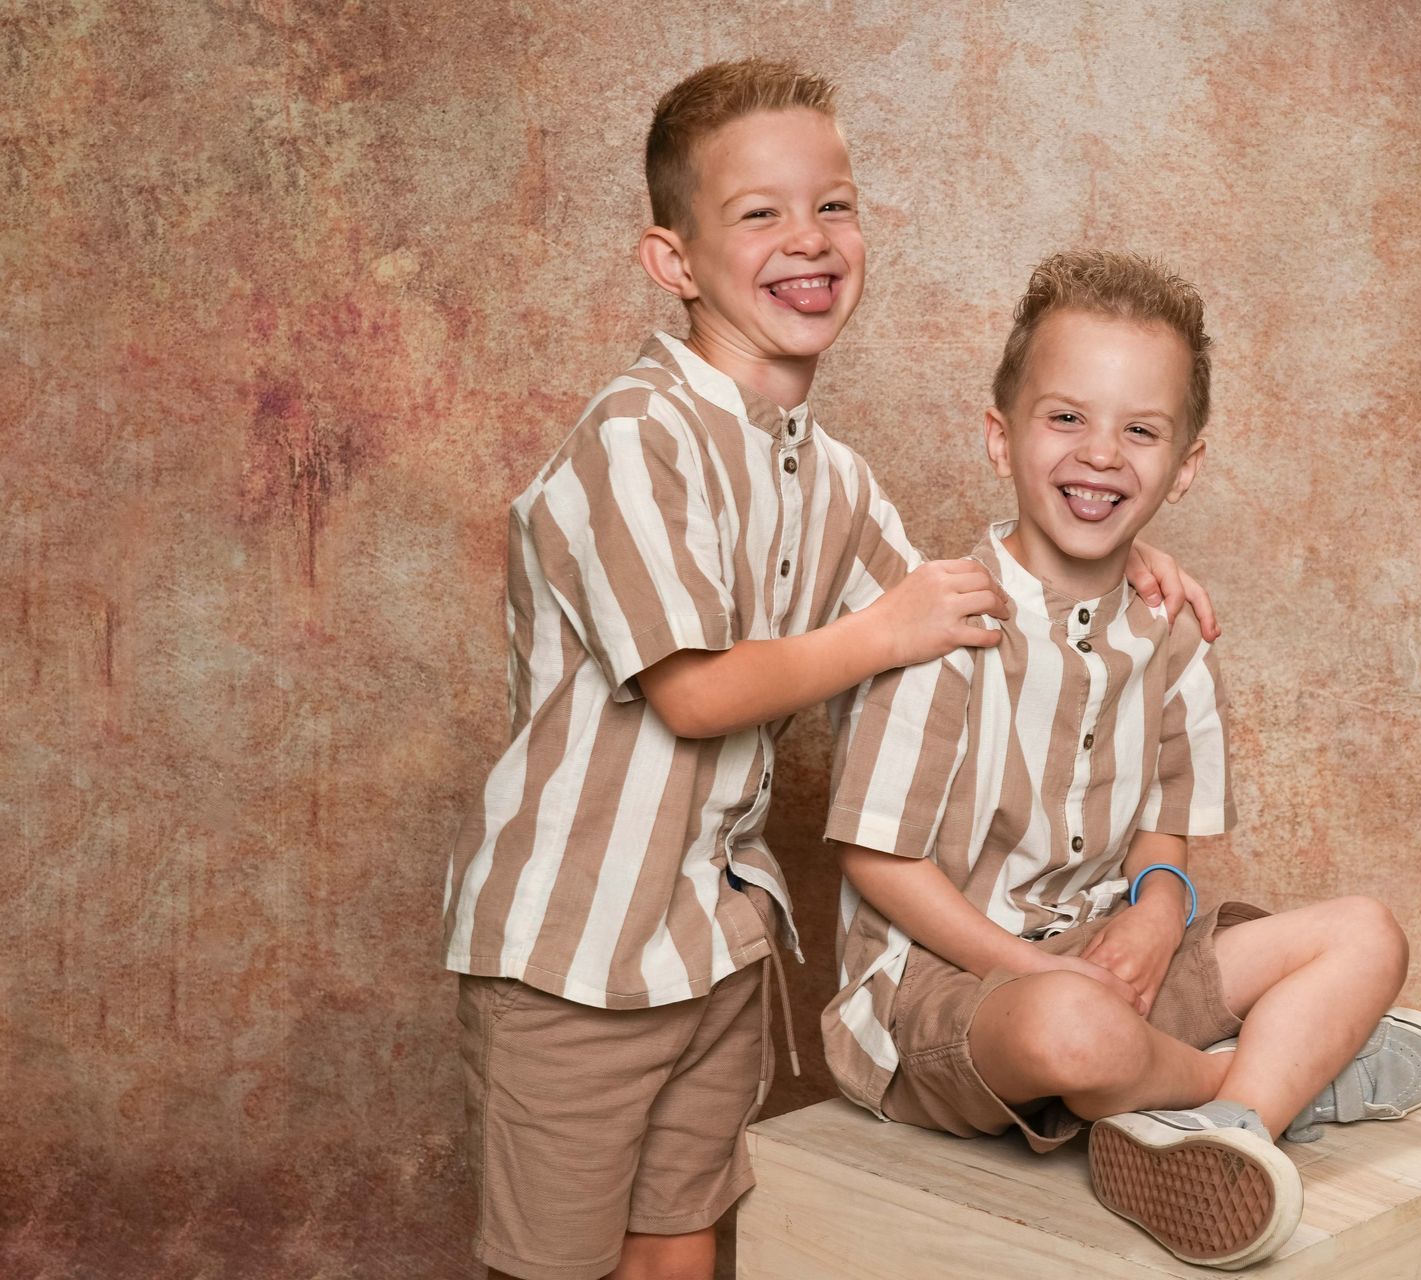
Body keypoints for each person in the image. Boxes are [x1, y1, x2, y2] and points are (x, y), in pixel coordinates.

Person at [440, 64, 1214, 1280]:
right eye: (759, 214)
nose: (808, 238)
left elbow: (974, 612)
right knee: (553, 1264)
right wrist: (879, 633)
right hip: (574, 951)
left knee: (679, 1244)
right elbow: (694, 691)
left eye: (834, 206)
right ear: (672, 260)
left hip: (708, 939)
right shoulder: (638, 437)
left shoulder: (830, 475)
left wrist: (1120, 542)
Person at [822, 249, 1421, 1271]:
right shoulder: (944, 623)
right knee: (1076, 1027)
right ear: (1002, 436)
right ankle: (1256, 1081)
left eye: (1141, 429)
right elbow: (877, 861)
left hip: (1111, 959)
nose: (1102, 454)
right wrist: (1036, 968)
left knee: (1365, 933)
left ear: (1185, 465)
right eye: (1066, 417)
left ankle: (1232, 1130)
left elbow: (1169, 814)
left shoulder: (1168, 633)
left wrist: (1160, 910)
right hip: (949, 994)